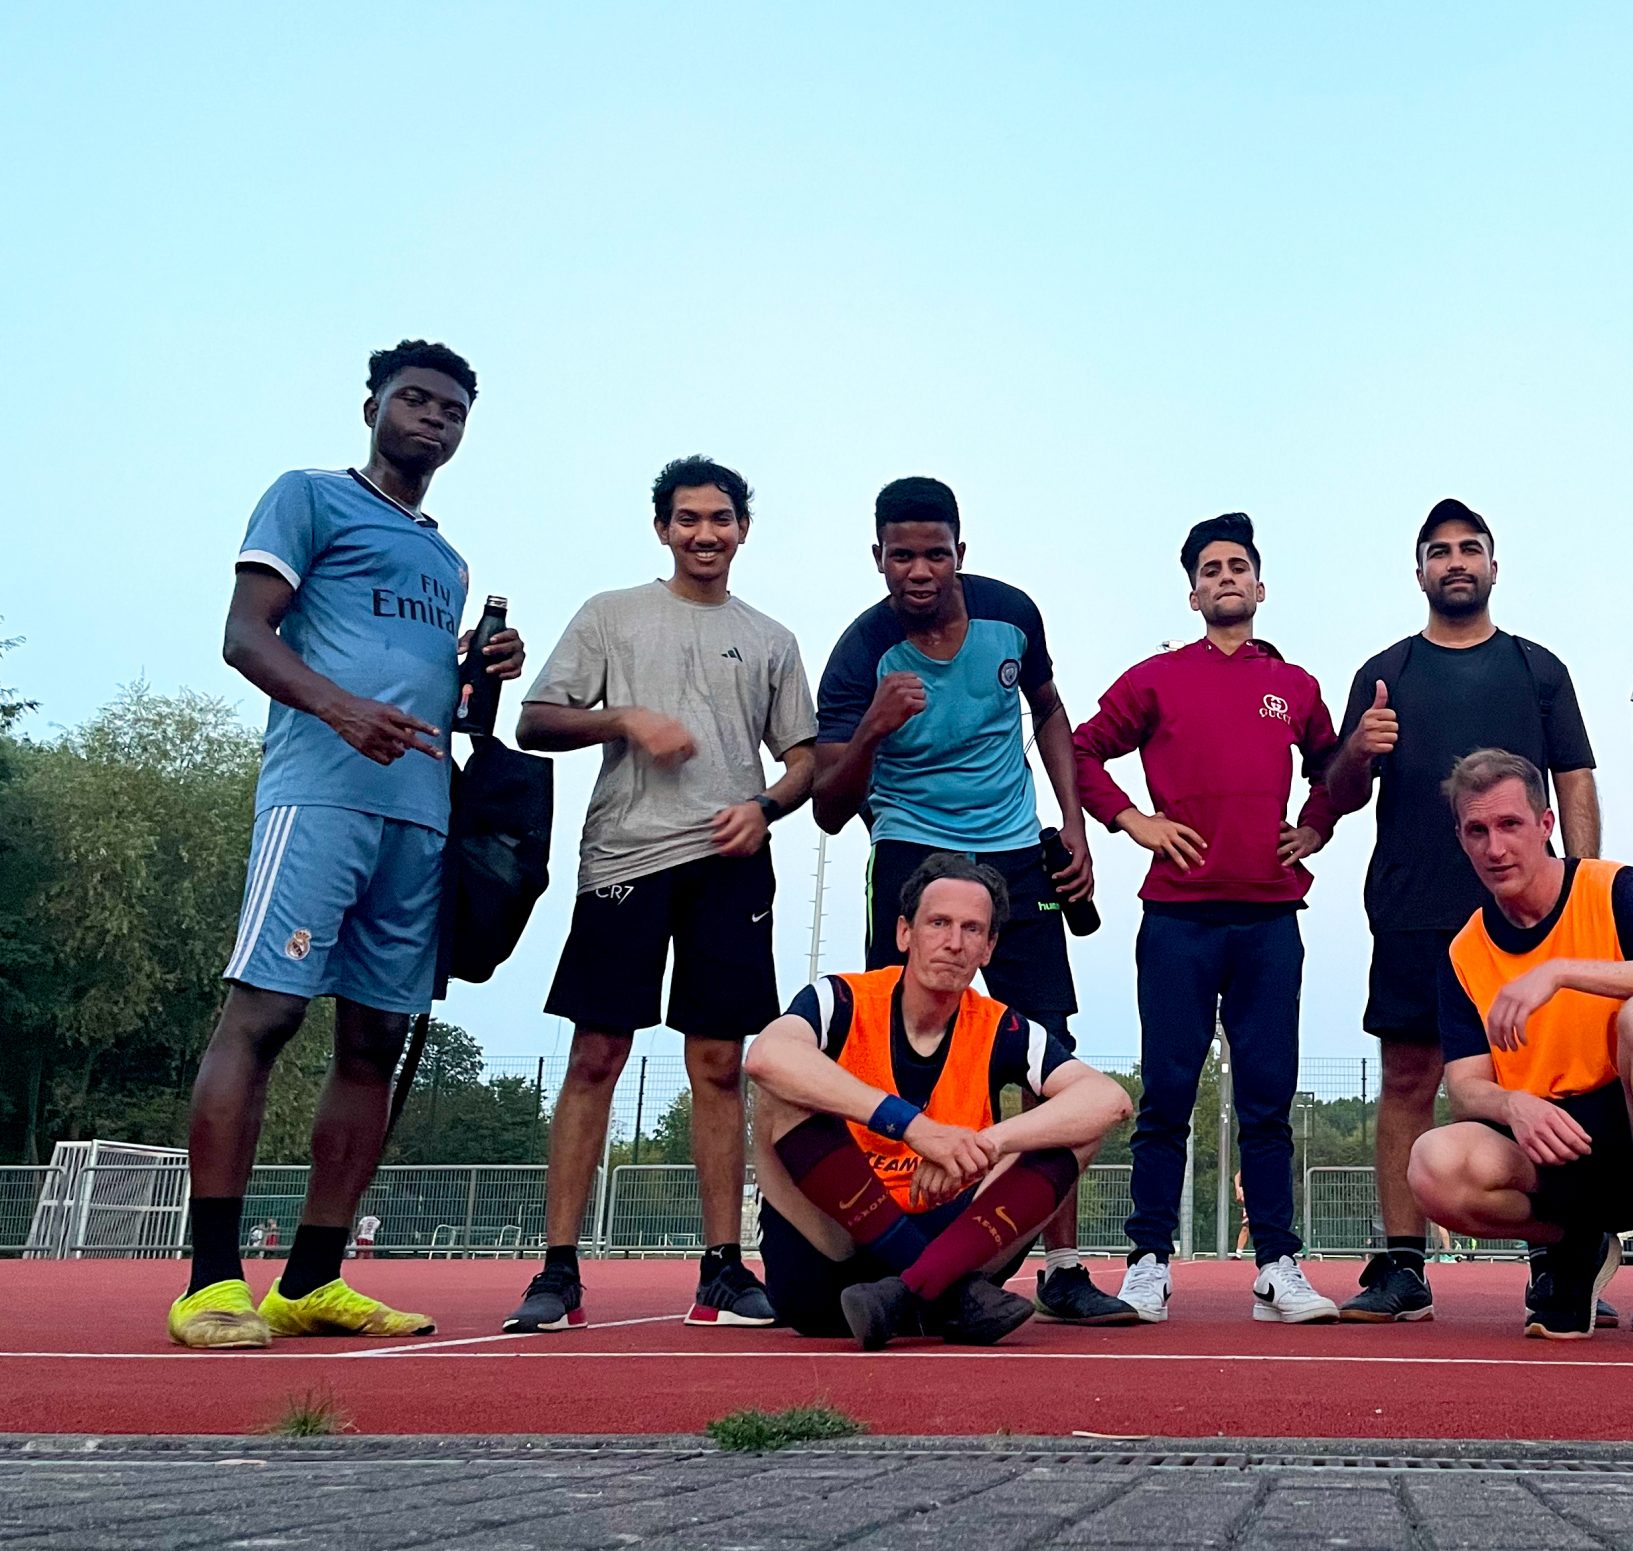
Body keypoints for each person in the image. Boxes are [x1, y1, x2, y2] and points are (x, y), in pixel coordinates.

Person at [171, 340, 525, 1349]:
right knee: (267, 1014)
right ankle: (210, 1282)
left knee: (375, 1040)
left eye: (451, 410)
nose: (433, 419)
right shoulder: (309, 496)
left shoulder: (448, 559)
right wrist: (341, 710)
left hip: (421, 816)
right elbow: (245, 635)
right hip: (320, 797)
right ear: (372, 406)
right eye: (415, 400)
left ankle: (313, 1280)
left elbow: (434, 694)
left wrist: (481, 670)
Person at [503, 456, 817, 1334]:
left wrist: (765, 807)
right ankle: (558, 1269)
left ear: (743, 529)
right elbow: (534, 719)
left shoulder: (771, 638)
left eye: (720, 518)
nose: (704, 533)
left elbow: (805, 758)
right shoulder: (611, 615)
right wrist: (624, 718)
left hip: (730, 862)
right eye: (688, 518)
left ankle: (723, 1267)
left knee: (719, 1063)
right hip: (626, 856)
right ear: (662, 528)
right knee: (596, 1054)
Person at [810, 476, 1133, 1327]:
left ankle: (1061, 1267)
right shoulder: (861, 653)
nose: (919, 570)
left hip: (1015, 849)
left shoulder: (1012, 615)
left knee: (1049, 1054)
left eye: (935, 553)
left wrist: (1074, 824)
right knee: (891, 1055)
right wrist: (873, 726)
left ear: (961, 552)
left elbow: (1050, 711)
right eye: (901, 555)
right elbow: (829, 808)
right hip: (911, 845)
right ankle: (897, 1252)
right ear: (877, 557)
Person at [1325, 498, 1600, 1324]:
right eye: (1439, 551)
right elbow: (1339, 791)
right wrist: (1357, 748)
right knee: (1409, 1077)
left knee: (1535, 1079)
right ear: (1419, 572)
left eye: (1469, 548)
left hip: (1525, 915)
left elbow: (1575, 779)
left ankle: (1557, 1259)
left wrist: (1579, 886)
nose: (1455, 561)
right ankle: (1402, 1265)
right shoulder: (1386, 671)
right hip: (1412, 906)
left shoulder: (1537, 669)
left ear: (1492, 566)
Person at [1072, 513, 1342, 1323]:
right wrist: (1133, 820)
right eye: (1211, 570)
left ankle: (1277, 1266)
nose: (1226, 577)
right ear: (1193, 595)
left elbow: (1337, 770)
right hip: (1179, 919)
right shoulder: (1157, 679)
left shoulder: (1294, 685)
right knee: (1166, 1096)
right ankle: (1148, 1262)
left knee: (1267, 1100)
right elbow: (1080, 750)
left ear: (1260, 586)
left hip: (1269, 919)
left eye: (1237, 566)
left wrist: (1316, 825)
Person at [1406, 751, 1633, 1351]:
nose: (1495, 848)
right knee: (1433, 1164)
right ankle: (1576, 1242)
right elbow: (1465, 1085)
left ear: (1546, 825)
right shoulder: (1465, 952)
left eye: (1510, 825)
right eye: (1477, 831)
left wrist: (1562, 971)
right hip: (1563, 1150)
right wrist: (1513, 1105)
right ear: (1460, 838)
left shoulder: (1612, 888)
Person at [741, 853, 1135, 1348]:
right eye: (939, 923)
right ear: (905, 933)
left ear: (989, 948)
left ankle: (910, 1289)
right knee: (779, 1092)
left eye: (973, 929)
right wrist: (914, 1128)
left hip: (952, 1240)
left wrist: (984, 1144)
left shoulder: (1000, 1026)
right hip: (833, 1261)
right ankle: (945, 1293)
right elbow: (765, 1056)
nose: (954, 942)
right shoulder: (840, 999)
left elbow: (1109, 1099)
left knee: (1075, 1131)